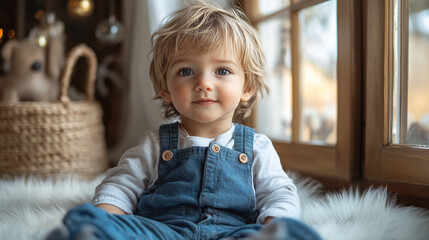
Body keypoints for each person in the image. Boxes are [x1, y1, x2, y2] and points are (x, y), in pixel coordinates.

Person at [47, 1, 321, 239]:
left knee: (292, 231)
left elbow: (278, 194)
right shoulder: (155, 144)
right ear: (165, 88)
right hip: (161, 230)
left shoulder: (257, 147)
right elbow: (121, 185)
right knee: (86, 221)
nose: (203, 83)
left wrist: (274, 226)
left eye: (222, 70)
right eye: (186, 71)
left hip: (233, 232)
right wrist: (108, 218)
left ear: (247, 87)